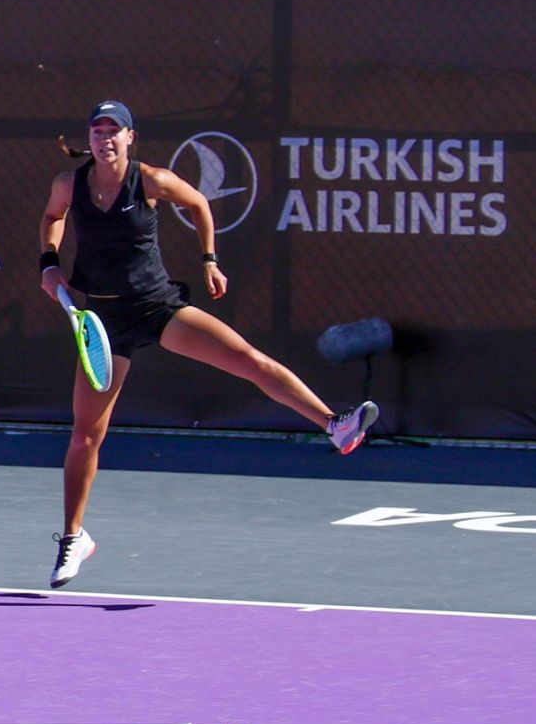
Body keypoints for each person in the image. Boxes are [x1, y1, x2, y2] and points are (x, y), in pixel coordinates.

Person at [39, 100, 377, 588]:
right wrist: (49, 264)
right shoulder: (68, 185)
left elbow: (198, 203)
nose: (105, 138)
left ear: (130, 137)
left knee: (246, 359)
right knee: (84, 436)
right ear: (88, 138)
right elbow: (52, 217)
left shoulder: (151, 180)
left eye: (114, 130)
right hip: (104, 320)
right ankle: (74, 538)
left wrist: (209, 260)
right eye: (97, 130)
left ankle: (334, 425)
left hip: (157, 307)